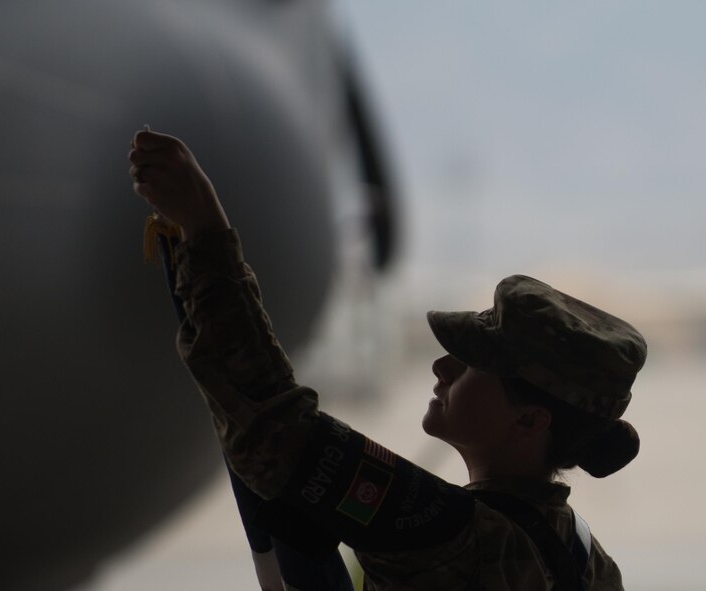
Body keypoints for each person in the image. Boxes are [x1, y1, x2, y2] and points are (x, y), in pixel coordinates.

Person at [128, 128, 647, 590]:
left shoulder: (453, 534)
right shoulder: (587, 559)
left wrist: (204, 229)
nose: (443, 368)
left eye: (472, 365)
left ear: (531, 419)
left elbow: (273, 432)